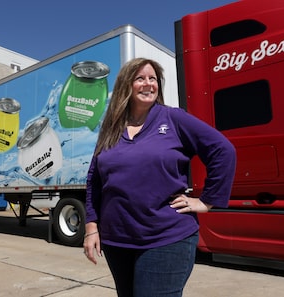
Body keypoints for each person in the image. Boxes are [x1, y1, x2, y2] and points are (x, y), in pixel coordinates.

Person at [83, 57, 236, 297]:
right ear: (126, 85)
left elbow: (222, 150)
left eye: (152, 79)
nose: (148, 84)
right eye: (140, 78)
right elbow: (95, 179)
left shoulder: (173, 119)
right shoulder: (112, 126)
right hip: (117, 241)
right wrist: (92, 227)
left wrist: (206, 201)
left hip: (165, 238)